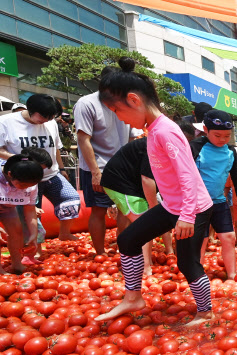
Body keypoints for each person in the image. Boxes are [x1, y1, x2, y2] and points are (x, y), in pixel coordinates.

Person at [95, 57, 214, 327]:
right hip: (172, 205)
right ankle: (133, 297)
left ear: (134, 101)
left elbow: (187, 174)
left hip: (192, 208)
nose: (119, 117)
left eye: (117, 111)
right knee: (128, 240)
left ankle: (206, 312)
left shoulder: (165, 132)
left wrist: (186, 216)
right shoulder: (153, 130)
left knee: (188, 262)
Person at [0, 93, 79, 241]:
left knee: (71, 198)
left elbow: (56, 147)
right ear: (30, 110)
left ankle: (64, 233)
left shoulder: (51, 123)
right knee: (30, 215)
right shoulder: (5, 122)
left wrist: (61, 169)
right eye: (43, 117)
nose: (46, 121)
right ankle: (33, 248)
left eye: (51, 118)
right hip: (25, 179)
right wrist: (22, 160)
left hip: (51, 174)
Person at [74, 66, 134, 255]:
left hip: (123, 167)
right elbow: (84, 139)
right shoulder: (86, 103)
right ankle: (100, 253)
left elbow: (132, 137)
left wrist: (130, 165)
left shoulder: (127, 103)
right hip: (98, 166)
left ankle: (123, 247)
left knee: (126, 209)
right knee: (99, 210)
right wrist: (95, 173)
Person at [100, 137, 174, 275]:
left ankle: (146, 263)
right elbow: (147, 179)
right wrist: (154, 208)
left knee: (146, 223)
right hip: (121, 184)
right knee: (144, 225)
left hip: (132, 186)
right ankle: (144, 268)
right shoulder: (156, 147)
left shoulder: (162, 147)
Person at [189, 110, 237, 281]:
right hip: (198, 204)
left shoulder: (230, 151)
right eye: (217, 135)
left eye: (227, 136)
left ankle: (232, 276)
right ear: (205, 130)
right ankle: (197, 278)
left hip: (219, 202)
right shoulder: (195, 147)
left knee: (229, 238)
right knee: (201, 241)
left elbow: (236, 175)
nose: (222, 140)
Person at [0, 149, 46, 274]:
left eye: (30, 185)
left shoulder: (30, 183)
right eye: (23, 185)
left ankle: (16, 264)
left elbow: (30, 210)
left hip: (7, 206)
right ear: (9, 174)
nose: (26, 188)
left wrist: (33, 234)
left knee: (17, 231)